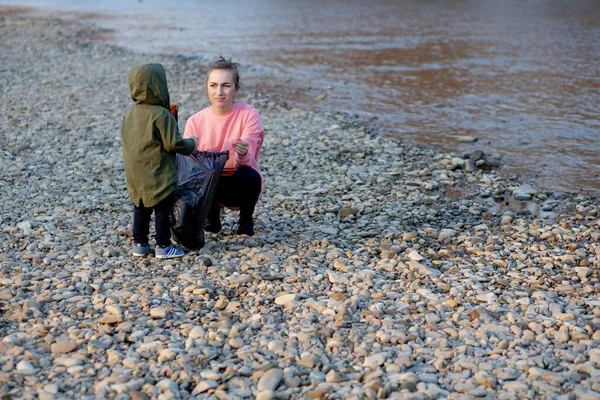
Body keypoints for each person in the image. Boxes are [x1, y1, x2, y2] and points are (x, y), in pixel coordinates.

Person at [121, 63, 198, 258]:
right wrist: (191, 143)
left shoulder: (130, 114)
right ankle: (163, 246)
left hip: (136, 174)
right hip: (158, 172)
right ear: (159, 86)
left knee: (141, 208)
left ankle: (139, 244)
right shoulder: (161, 114)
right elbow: (173, 144)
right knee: (162, 209)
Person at [184, 56, 264, 236]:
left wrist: (242, 153)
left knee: (251, 177)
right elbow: (189, 166)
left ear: (236, 89)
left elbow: (247, 163)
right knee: (200, 175)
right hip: (208, 182)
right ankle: (212, 219)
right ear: (207, 87)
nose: (219, 92)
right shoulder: (194, 121)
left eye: (226, 85)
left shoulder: (249, 114)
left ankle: (245, 221)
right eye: (213, 85)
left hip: (237, 178)